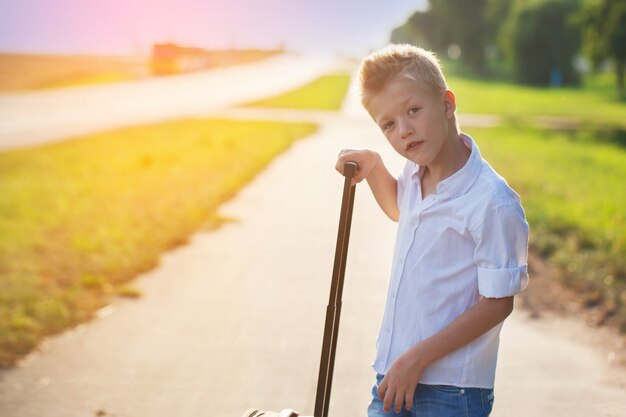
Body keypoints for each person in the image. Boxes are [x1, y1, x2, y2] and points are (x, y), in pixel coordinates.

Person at [335, 44, 529, 417]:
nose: (404, 131)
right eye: (388, 124)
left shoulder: (492, 201)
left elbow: (498, 303)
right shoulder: (415, 171)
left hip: (450, 390)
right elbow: (401, 210)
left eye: (413, 111)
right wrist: (375, 167)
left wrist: (418, 359)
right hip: (394, 372)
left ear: (446, 103)